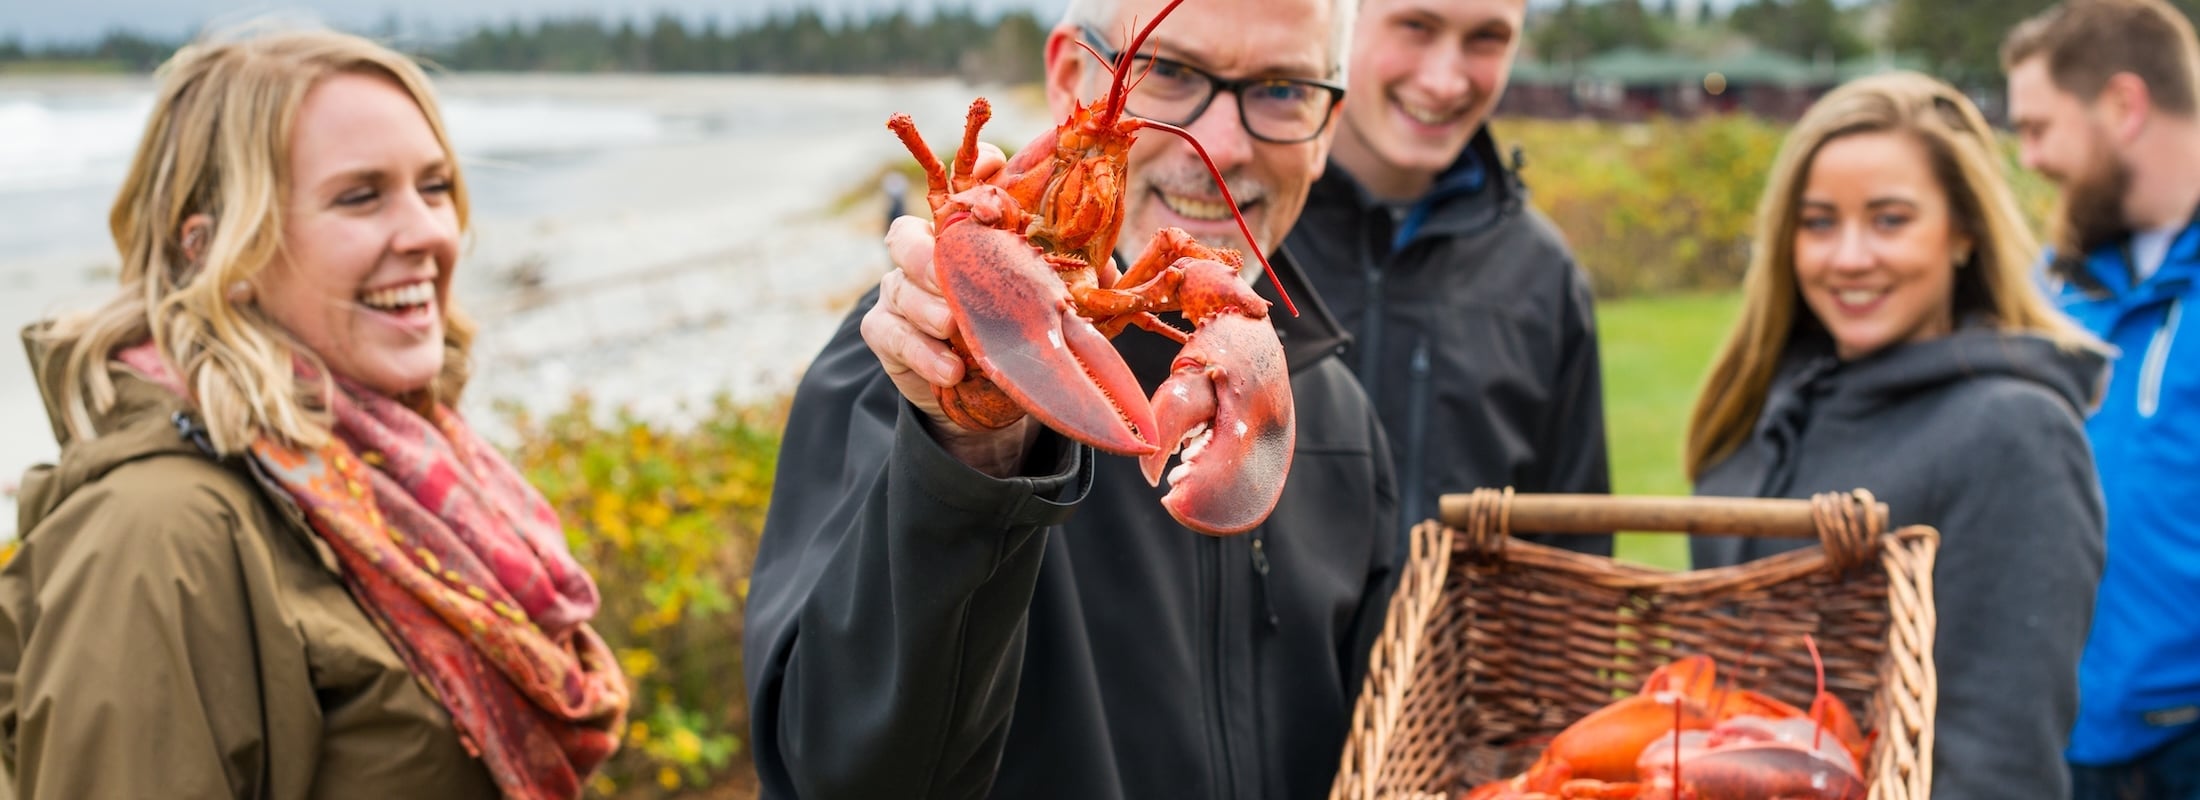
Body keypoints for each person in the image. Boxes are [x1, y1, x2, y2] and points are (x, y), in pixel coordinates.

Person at [742, 0, 1397, 797]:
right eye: (1173, 72)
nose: (1223, 148)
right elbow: (835, 778)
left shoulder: (1333, 409)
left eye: (1284, 90)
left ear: (1329, 127)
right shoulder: (894, 368)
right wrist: (968, 458)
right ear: (1064, 77)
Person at [1, 28, 628, 799]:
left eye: (434, 187)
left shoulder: (389, 482)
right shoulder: (158, 533)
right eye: (360, 196)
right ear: (212, 253)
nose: (429, 231)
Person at [1684, 72, 2108, 800]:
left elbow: (1998, 767)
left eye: (1890, 220)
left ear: (1964, 232)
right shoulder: (1760, 408)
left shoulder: (2013, 435)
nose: (1848, 257)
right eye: (1818, 222)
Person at [1284, 0, 1612, 554]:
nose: (1443, 81)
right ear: (1341, 23)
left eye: (1487, 38)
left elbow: (1573, 549)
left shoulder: (1544, 276)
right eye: (1416, 26)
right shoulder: (1243, 233)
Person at [2004, 1, 2200, 794]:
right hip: (2055, 737)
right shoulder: (2045, 288)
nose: (2030, 157)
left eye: (2040, 127)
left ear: (2123, 106)